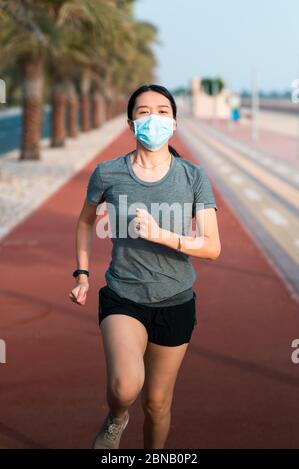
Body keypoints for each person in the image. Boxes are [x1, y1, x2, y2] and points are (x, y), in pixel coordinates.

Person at [69, 84, 221, 450]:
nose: (154, 118)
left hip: (175, 302)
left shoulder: (193, 177)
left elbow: (212, 247)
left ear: (174, 121)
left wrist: (160, 234)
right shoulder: (108, 173)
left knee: (156, 404)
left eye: (162, 111)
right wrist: (83, 274)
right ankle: (117, 417)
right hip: (124, 296)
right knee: (124, 386)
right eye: (144, 112)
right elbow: (86, 222)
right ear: (130, 123)